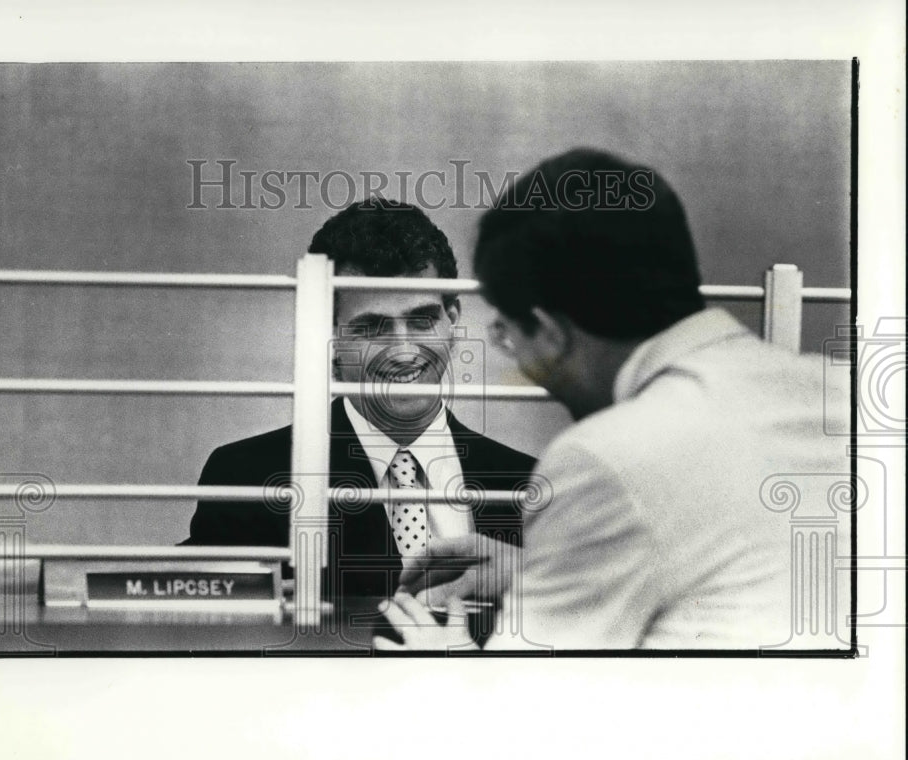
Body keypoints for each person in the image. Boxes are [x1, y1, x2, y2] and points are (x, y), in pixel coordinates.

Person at [375, 148, 850, 651]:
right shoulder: (846, 394)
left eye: (510, 336)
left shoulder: (601, 458)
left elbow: (518, 712)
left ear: (551, 332)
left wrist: (442, 669)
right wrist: (541, 572)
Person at [184, 198, 535, 605]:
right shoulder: (249, 477)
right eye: (371, 328)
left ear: (453, 320)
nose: (404, 352)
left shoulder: (527, 481)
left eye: (422, 320)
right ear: (326, 340)